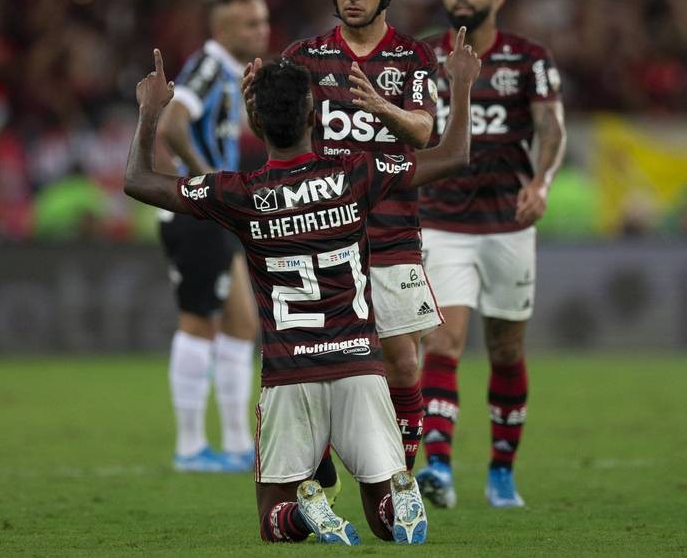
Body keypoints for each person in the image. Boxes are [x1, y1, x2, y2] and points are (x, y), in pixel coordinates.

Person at [123, 30, 480, 543]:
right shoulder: (358, 173)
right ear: (315, 117)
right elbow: (453, 155)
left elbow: (139, 180)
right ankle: (396, 493)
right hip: (360, 368)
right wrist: (462, 85)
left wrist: (151, 111)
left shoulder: (238, 193)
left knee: (274, 522)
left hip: (291, 379)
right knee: (384, 522)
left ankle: (303, 513)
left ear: (258, 124)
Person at [282, 0, 439, 479]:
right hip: (324, 232)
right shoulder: (303, 57)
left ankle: (402, 479)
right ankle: (317, 471)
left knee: (401, 360)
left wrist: (381, 107)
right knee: (316, 363)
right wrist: (259, 105)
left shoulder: (413, 57)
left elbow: (424, 130)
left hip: (393, 234)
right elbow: (281, 136)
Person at [416, 0, 566, 509]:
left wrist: (542, 182)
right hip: (442, 221)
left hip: (508, 221)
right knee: (444, 340)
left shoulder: (529, 58)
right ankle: (439, 468)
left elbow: (551, 126)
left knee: (505, 349)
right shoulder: (422, 56)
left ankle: (502, 472)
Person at [153, 0, 269, 472]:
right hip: (195, 211)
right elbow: (170, 125)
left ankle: (240, 444)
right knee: (198, 322)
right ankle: (190, 446)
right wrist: (206, 182)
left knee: (243, 322)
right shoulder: (205, 66)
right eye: (249, 24)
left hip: (211, 212)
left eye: (262, 21)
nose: (260, 30)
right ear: (222, 31)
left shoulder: (224, 70)